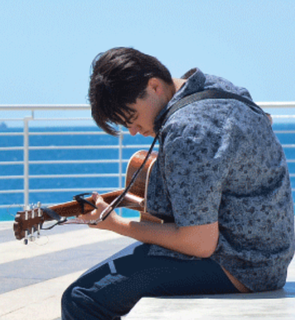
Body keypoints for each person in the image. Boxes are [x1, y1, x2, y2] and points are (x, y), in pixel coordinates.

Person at [61, 47, 295, 320]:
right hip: (269, 253)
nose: (133, 132)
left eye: (132, 119)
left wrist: (115, 224)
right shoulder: (211, 85)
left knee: (82, 298)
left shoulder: (187, 131)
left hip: (240, 265)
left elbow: (198, 242)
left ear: (154, 86)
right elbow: (262, 122)